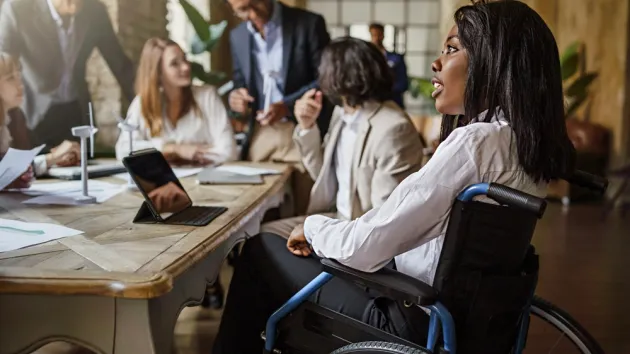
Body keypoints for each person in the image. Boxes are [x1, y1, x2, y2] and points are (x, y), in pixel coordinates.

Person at [212, 1, 576, 352]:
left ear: (493, 63)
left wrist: (313, 228)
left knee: (261, 251)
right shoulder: (524, 144)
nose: (436, 63)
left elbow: (368, 246)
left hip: (411, 315)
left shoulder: (474, 142)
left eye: (451, 50)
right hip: (476, 319)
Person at [261, 37, 424, 238]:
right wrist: (307, 126)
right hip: (335, 218)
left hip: (357, 235)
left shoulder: (392, 128)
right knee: (262, 234)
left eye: (324, 68)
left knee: (262, 246)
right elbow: (322, 175)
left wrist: (322, 235)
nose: (320, 75)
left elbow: (382, 222)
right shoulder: (341, 113)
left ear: (339, 75)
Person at [226, 0, 334, 215]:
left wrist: (287, 106)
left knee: (306, 207)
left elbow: (325, 78)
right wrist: (236, 97)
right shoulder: (237, 36)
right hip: (261, 133)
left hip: (304, 130)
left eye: (253, 4)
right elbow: (240, 81)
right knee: (252, 207)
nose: (252, 14)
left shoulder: (308, 24)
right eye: (242, 10)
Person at [0, 0, 135, 151]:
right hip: (34, 116)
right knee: (37, 168)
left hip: (76, 113)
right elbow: (4, 66)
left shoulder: (95, 11)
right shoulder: (18, 8)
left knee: (82, 166)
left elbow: (121, 65)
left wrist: (144, 105)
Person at [115, 38, 236, 165]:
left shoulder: (207, 96)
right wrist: (173, 149)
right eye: (174, 63)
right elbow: (123, 150)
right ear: (158, 72)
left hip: (204, 179)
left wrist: (170, 156)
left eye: (184, 59)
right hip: (163, 181)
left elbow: (229, 152)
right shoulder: (142, 103)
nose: (185, 67)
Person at [0, 51, 80, 179]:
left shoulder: (15, 117)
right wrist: (52, 158)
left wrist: (61, 155)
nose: (20, 83)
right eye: (10, 78)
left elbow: (34, 152)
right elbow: (4, 170)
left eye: (18, 75)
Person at [369, 22, 409, 109]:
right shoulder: (366, 60)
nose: (376, 38)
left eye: (378, 35)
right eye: (373, 35)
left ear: (383, 35)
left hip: (394, 104)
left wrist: (383, 91)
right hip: (372, 107)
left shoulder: (397, 59)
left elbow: (403, 83)